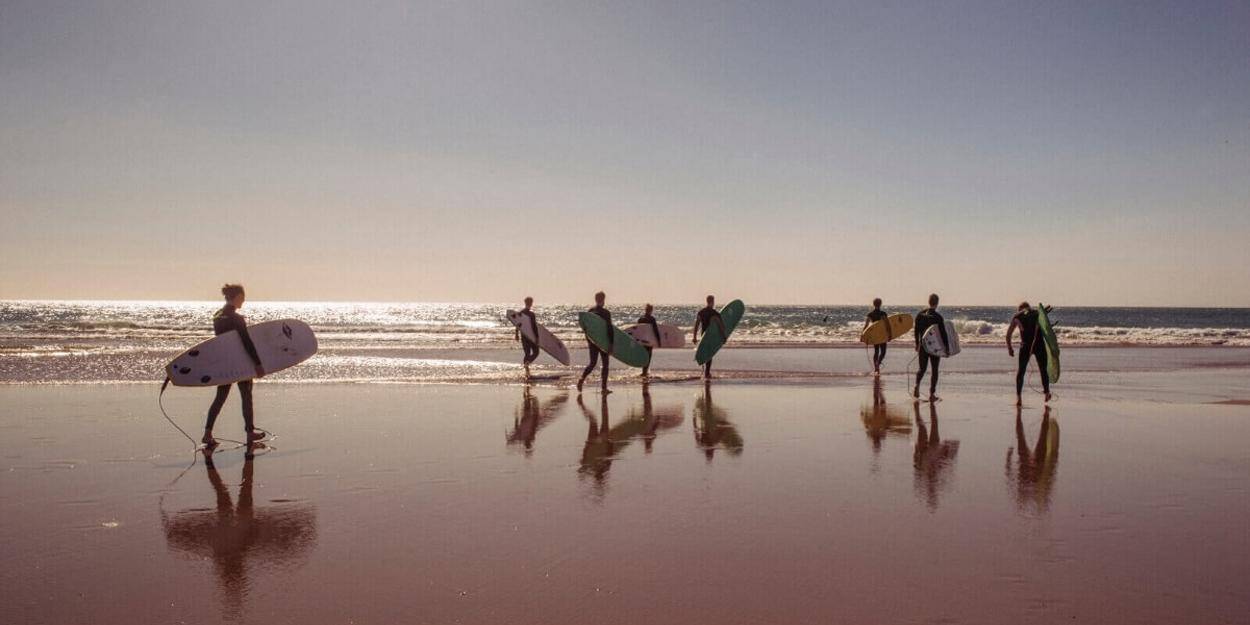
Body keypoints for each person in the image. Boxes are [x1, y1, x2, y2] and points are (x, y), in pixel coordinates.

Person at [202, 284, 266, 448]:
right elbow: (246, 342)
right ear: (237, 296)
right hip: (240, 363)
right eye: (243, 298)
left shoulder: (217, 316)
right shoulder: (237, 318)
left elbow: (221, 343)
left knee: (220, 398)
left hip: (224, 363)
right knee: (246, 396)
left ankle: (207, 433)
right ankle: (250, 432)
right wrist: (257, 363)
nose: (243, 301)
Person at [1006, 302, 1052, 405]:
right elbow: (1048, 330)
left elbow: (1008, 334)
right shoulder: (1038, 314)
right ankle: (1047, 393)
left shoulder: (1017, 316)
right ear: (1029, 307)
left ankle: (1018, 398)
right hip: (1039, 345)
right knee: (1043, 369)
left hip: (1025, 346)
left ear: (1020, 309)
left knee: (1021, 372)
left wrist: (1010, 348)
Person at [912, 293, 950, 402]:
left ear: (929, 301)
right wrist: (947, 348)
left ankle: (916, 385)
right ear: (937, 303)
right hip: (935, 347)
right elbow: (943, 334)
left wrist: (917, 343)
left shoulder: (920, 315)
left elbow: (916, 331)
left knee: (922, 369)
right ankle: (932, 394)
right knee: (934, 370)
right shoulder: (938, 317)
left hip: (923, 346)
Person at [577, 291, 613, 394]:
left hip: (593, 342)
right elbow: (609, 329)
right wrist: (611, 344)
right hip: (604, 342)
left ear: (596, 300)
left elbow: (586, 328)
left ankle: (582, 379)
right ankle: (604, 388)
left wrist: (590, 341)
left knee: (592, 363)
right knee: (605, 364)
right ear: (603, 300)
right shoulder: (606, 313)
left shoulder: (590, 311)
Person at [692, 295, 727, 381]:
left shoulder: (701, 312)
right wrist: (723, 337)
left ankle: (706, 372)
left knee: (705, 352)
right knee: (710, 354)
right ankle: (707, 372)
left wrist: (694, 337)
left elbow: (696, 325)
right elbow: (720, 326)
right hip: (711, 336)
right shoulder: (714, 313)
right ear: (712, 302)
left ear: (707, 301)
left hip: (703, 335)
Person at [513, 296, 541, 378]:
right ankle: (527, 367)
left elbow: (517, 324)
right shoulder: (531, 314)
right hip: (531, 336)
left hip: (524, 336)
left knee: (527, 353)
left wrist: (516, 334)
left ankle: (527, 369)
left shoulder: (521, 313)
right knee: (535, 352)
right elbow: (534, 327)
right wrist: (537, 337)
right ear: (531, 303)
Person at [863, 297, 892, 376]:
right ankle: (877, 365)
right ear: (881, 304)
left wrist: (863, 336)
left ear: (873, 304)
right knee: (883, 352)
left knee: (876, 351)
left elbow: (866, 326)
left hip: (875, 334)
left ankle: (876, 367)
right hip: (882, 335)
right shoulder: (883, 314)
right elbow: (887, 325)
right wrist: (890, 335)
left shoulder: (870, 314)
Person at [637, 303, 661, 378]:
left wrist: (637, 341)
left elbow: (637, 330)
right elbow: (655, 330)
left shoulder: (640, 319)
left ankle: (643, 371)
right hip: (649, 340)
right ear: (651, 310)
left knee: (643, 355)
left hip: (642, 341)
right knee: (648, 356)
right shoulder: (652, 319)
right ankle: (645, 372)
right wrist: (658, 340)